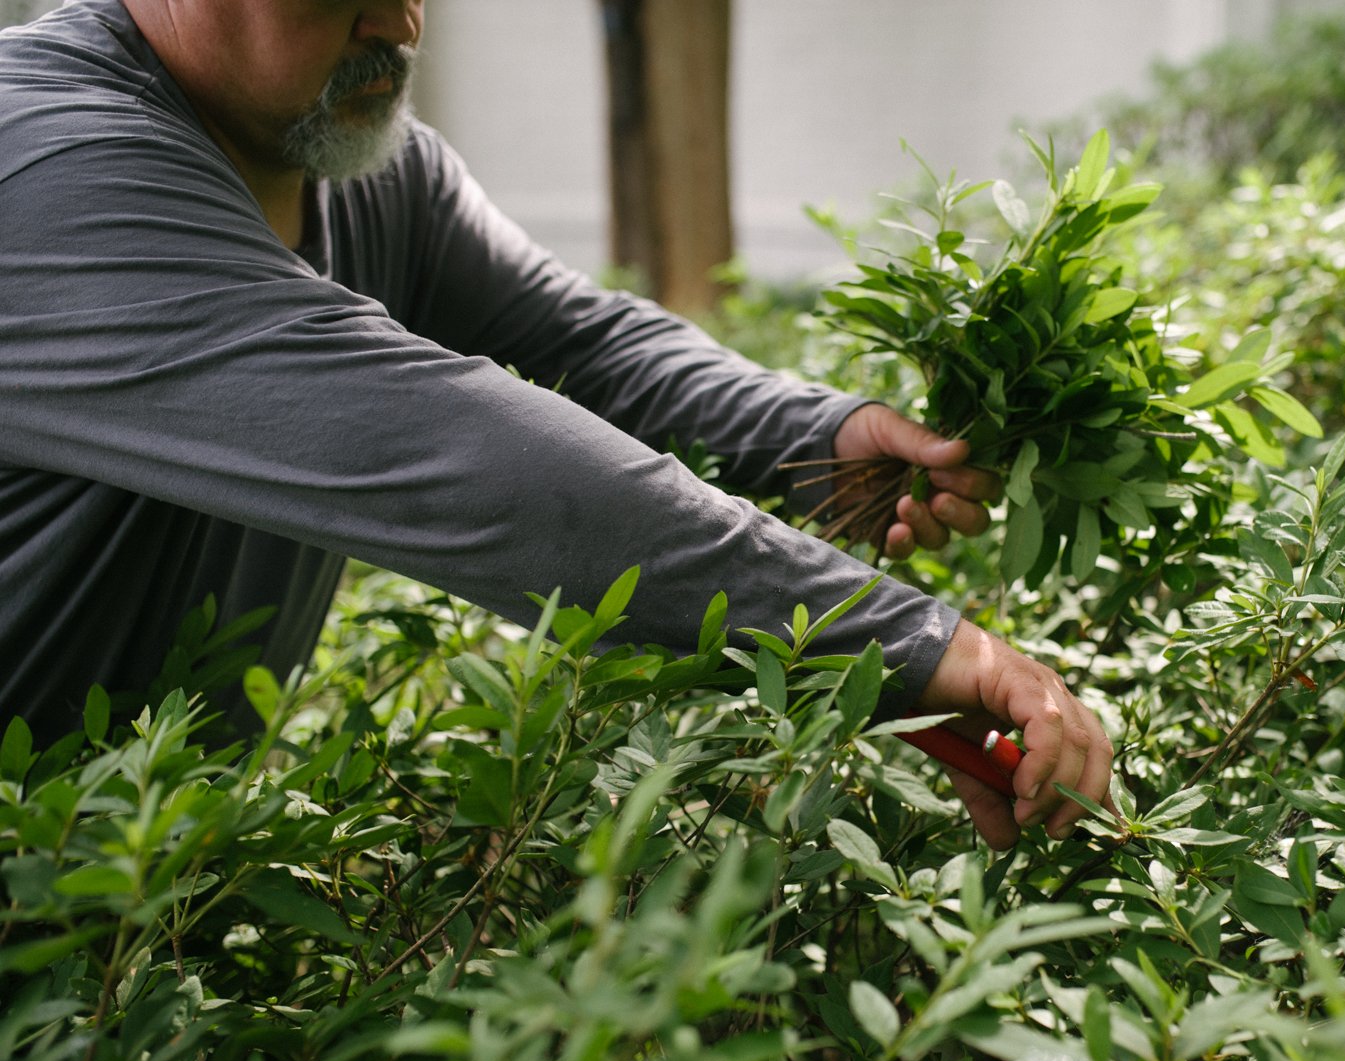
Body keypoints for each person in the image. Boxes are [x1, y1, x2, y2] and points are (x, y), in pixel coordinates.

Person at [0, 0, 1112, 848]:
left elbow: (584, 346)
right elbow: (461, 454)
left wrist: (814, 436)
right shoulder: (45, 163)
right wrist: (918, 644)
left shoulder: (363, 170)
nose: (397, 24)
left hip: (128, 902)